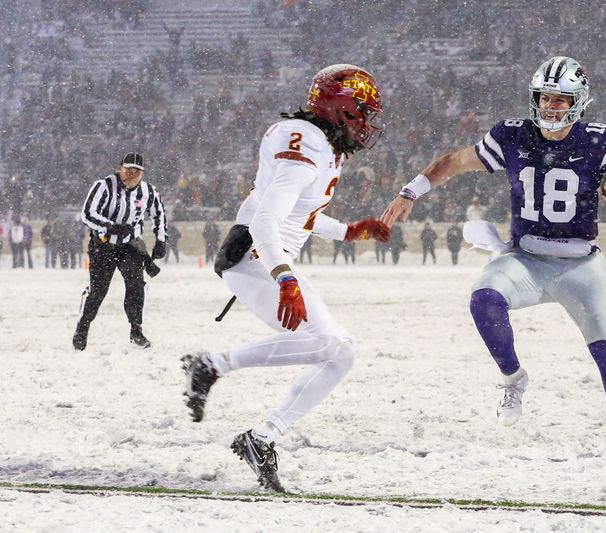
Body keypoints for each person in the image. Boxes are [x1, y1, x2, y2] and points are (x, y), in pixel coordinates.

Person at [382, 56, 606, 450]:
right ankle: (513, 378)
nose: (551, 106)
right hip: (526, 257)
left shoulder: (600, 140)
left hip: (580, 263)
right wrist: (411, 190)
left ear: (578, 102)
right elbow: (455, 161)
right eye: (545, 97)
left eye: (561, 99)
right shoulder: (512, 134)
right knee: (484, 301)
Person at [181, 64, 391, 492]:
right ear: (340, 108)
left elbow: (299, 215)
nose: (366, 123)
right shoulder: (306, 146)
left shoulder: (322, 143)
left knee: (341, 353)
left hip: (271, 258)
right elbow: (266, 220)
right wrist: (284, 279)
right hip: (254, 258)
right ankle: (211, 365)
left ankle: (261, 437)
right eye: (361, 112)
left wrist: (346, 231)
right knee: (325, 342)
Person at [72, 152, 168, 351]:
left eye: (136, 171)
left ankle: (136, 331)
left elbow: (159, 214)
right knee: (98, 290)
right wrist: (110, 226)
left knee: (136, 286)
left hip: (131, 245)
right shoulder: (104, 186)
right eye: (127, 170)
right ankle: (82, 328)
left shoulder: (149, 191)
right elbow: (87, 213)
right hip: (103, 245)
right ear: (120, 168)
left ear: (142, 173)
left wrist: (160, 240)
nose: (131, 175)